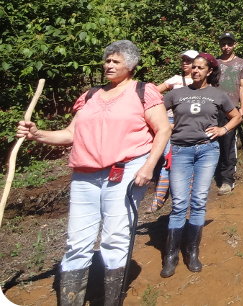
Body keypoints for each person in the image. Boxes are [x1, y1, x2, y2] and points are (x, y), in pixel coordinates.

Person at [16, 40, 171, 306]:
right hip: (85, 174)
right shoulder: (90, 96)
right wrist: (36, 134)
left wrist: (148, 166)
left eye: (115, 61)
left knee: (115, 236)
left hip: (125, 171)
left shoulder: (143, 92)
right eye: (107, 60)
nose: (108, 65)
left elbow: (163, 130)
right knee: (77, 240)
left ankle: (111, 300)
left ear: (131, 65)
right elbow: (70, 134)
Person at [160, 53, 242, 278]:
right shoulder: (176, 94)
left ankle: (192, 251)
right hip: (180, 150)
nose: (195, 71)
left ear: (209, 71)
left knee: (198, 201)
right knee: (178, 203)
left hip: (207, 150)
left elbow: (236, 116)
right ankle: (171, 254)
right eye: (193, 67)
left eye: (200, 68)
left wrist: (223, 130)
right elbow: (155, 114)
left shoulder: (218, 94)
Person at [149, 49, 198, 213]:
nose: (185, 63)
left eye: (189, 61)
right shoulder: (176, 80)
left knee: (185, 159)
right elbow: (154, 92)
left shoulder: (202, 83)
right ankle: (160, 197)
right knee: (166, 158)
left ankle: (183, 197)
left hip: (188, 123)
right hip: (169, 121)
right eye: (183, 60)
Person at [216, 32, 243, 195]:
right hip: (213, 108)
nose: (226, 47)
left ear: (234, 45)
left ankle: (227, 179)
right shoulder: (214, 63)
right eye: (223, 43)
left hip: (232, 109)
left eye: (229, 44)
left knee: (228, 143)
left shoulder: (241, 63)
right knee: (212, 142)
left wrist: (242, 108)